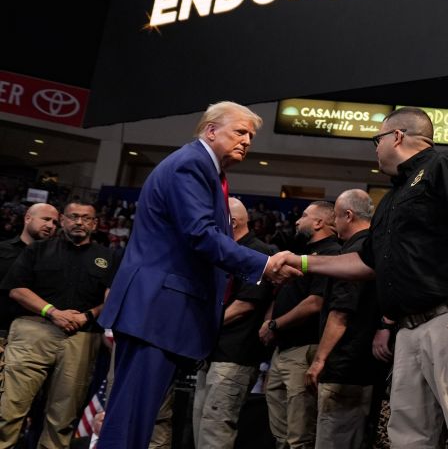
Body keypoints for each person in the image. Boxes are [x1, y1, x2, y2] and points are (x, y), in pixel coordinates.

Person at [275, 107, 448, 449]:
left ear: (397, 137)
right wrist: (302, 263)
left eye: (377, 139)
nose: (375, 148)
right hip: (409, 329)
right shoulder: (390, 198)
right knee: (407, 438)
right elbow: (364, 262)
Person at [98, 102, 298, 449]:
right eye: (239, 131)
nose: (247, 141)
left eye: (250, 135)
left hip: (162, 311)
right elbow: (201, 235)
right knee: (131, 417)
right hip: (157, 310)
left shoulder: (209, 171)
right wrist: (264, 265)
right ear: (210, 130)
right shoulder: (190, 165)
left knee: (137, 417)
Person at [0, 201, 113, 448]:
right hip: (33, 330)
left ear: (94, 224)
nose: (79, 222)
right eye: (73, 217)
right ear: (63, 220)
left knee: (62, 419)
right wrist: (51, 312)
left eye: (86, 218)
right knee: (8, 409)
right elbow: (16, 289)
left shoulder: (108, 256)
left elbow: (113, 297)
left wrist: (88, 316)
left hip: (81, 338)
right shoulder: (37, 250)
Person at [191, 197, 275, 449]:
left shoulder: (257, 251)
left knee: (216, 428)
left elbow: (245, 305)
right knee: (201, 424)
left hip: (235, 355)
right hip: (212, 352)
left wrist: (204, 326)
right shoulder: (223, 252)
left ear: (232, 222)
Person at [307, 189, 384, 449]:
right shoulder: (374, 247)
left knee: (334, 440)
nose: (334, 223)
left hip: (345, 369)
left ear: (348, 216)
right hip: (363, 366)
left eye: (337, 217)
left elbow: (341, 313)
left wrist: (320, 360)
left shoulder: (355, 253)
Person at [262, 201, 342, 449]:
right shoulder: (303, 254)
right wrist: (269, 322)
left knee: (300, 434)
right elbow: (282, 293)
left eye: (305, 216)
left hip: (303, 347)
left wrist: (274, 324)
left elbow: (315, 303)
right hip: (283, 349)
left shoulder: (331, 253)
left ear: (319, 222)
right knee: (280, 433)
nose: (297, 220)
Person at [0, 202, 59, 398]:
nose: (51, 225)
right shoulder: (2, 250)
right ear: (28, 218)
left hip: (35, 340)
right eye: (46, 219)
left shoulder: (57, 260)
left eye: (55, 222)